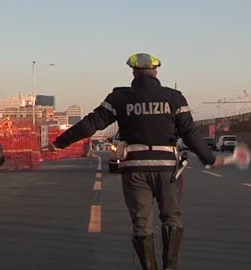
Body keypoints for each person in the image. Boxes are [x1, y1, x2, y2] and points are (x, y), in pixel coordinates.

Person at [49, 53, 225, 270]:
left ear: (133, 73)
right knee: (171, 218)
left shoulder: (119, 98)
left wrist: (60, 142)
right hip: (168, 170)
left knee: (142, 224)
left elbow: (90, 124)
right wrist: (209, 158)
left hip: (135, 169)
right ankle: (170, 267)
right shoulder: (175, 98)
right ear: (156, 73)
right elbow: (190, 133)